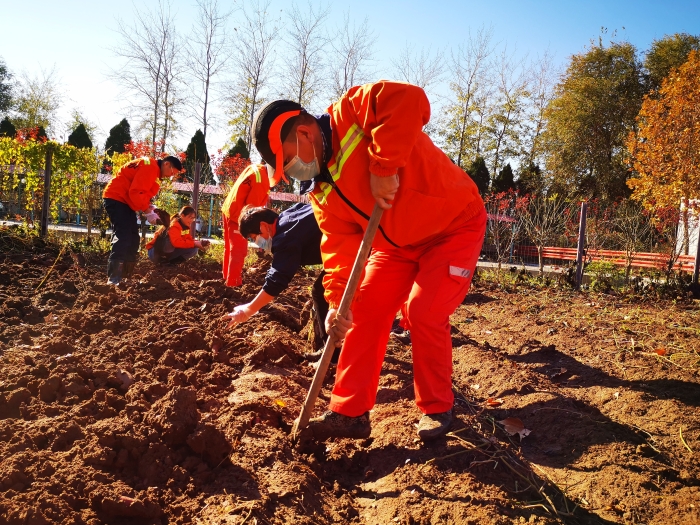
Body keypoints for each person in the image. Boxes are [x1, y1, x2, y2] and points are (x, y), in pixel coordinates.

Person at [252, 81, 486, 441]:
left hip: (453, 226)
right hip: (395, 247)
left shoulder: (353, 112)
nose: (293, 170)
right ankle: (350, 413)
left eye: (288, 160)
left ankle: (437, 407)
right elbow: (338, 246)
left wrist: (383, 166)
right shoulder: (321, 191)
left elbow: (408, 100)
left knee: (424, 310)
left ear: (304, 132)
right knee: (360, 310)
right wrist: (336, 304)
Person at [224, 203, 333, 358]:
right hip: (351, 239)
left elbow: (277, 279)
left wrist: (249, 310)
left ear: (263, 226)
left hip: (355, 246)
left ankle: (332, 355)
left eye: (254, 237)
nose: (257, 243)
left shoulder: (285, 237)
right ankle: (331, 350)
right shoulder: (289, 214)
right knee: (321, 289)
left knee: (323, 291)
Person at [102, 155, 183, 284]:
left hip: (125, 201)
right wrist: (147, 211)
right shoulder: (149, 166)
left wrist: (151, 208)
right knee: (123, 235)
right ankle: (114, 278)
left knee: (133, 238)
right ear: (166, 164)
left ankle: (125, 277)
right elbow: (136, 192)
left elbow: (142, 194)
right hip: (116, 198)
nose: (170, 176)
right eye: (172, 172)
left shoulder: (153, 172)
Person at [221, 163, 281, 287]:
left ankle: (227, 279)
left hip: (229, 209)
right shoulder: (261, 181)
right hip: (237, 216)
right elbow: (252, 213)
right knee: (238, 250)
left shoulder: (256, 168)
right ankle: (233, 284)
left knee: (230, 249)